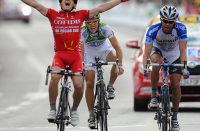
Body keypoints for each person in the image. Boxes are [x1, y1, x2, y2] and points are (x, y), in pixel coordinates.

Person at [21, 0, 129, 127]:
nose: (67, 0)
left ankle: (74, 110)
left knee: (78, 85)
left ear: (74, 4)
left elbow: (101, 8)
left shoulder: (81, 15)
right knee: (54, 76)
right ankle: (52, 109)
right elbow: (35, 5)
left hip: (75, 56)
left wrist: (120, 0)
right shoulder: (53, 15)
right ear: (60, 3)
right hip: (60, 55)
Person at [142, 5, 189, 131]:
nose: (167, 24)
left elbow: (183, 49)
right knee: (155, 62)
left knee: (175, 84)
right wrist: (146, 66)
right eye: (165, 21)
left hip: (174, 54)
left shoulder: (181, 28)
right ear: (161, 19)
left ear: (175, 21)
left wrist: (184, 66)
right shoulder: (153, 29)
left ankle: (174, 118)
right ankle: (153, 96)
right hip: (158, 51)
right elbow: (146, 53)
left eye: (171, 22)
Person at [80, 14, 124, 128]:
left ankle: (110, 86)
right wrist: (82, 65)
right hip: (89, 54)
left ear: (98, 21)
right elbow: (80, 51)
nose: (92, 25)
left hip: (104, 50)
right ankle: (91, 115)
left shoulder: (105, 28)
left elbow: (117, 47)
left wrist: (120, 65)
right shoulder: (82, 32)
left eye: (94, 22)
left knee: (116, 60)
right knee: (89, 83)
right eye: (89, 23)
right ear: (86, 24)